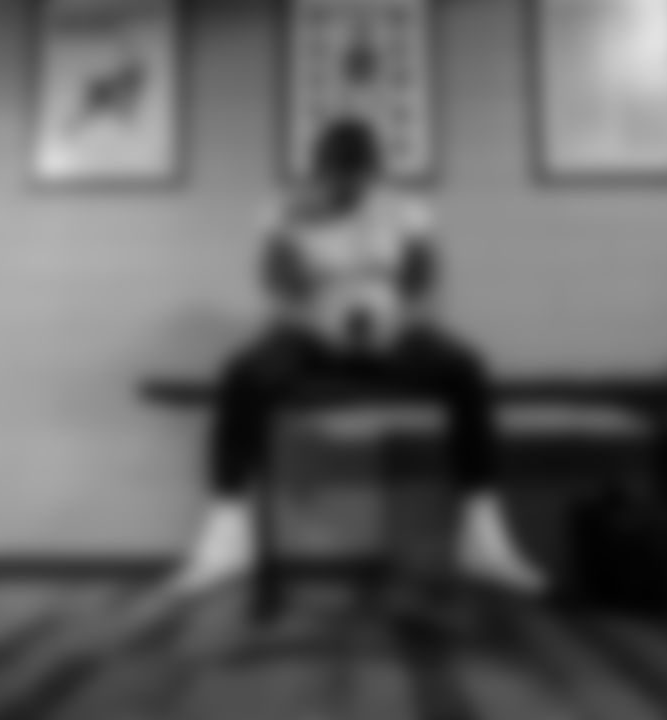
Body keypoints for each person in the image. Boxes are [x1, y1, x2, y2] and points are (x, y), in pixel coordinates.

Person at [162, 117, 547, 606]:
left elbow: (421, 280)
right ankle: (224, 540)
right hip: (310, 333)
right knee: (243, 374)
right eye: (336, 178)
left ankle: (484, 537)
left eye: (357, 178)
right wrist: (317, 293)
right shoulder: (283, 209)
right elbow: (280, 283)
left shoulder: (407, 210)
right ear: (319, 171)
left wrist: (393, 318)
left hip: (389, 331)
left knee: (466, 368)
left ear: (374, 172)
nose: (347, 189)